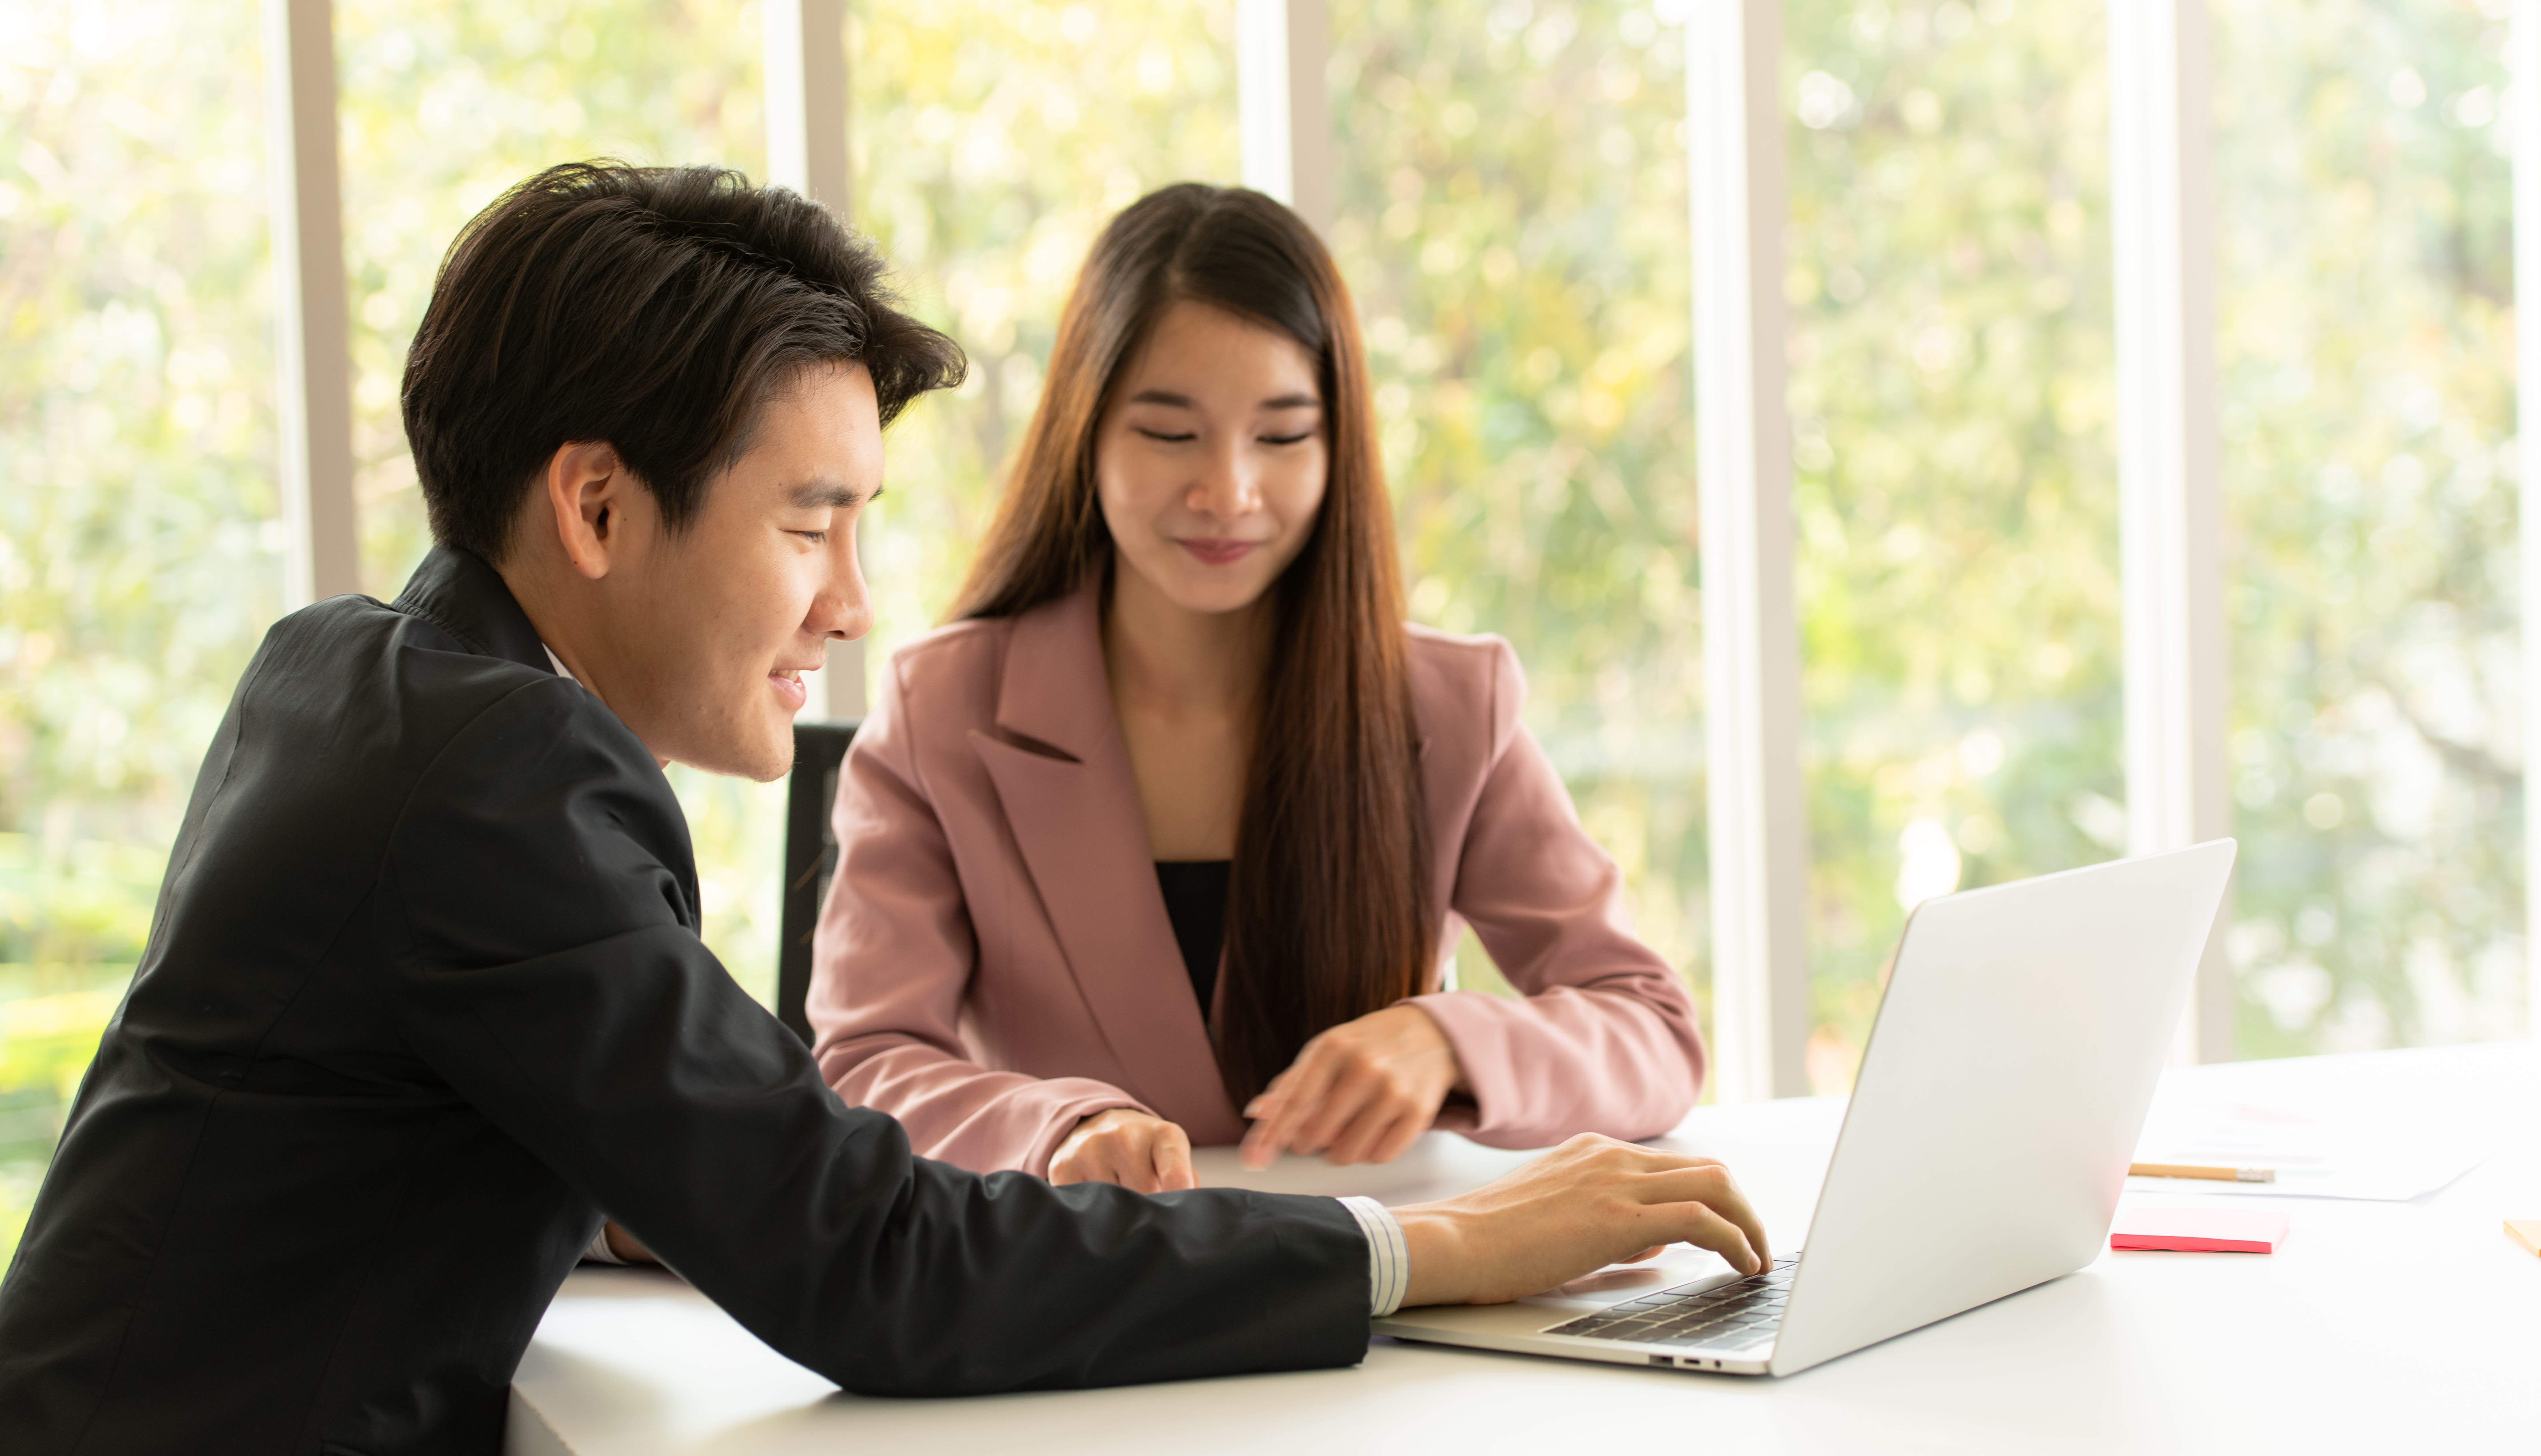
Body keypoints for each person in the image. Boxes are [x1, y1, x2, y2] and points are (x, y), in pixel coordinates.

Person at [0, 162, 1767, 1454]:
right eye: (805, 523)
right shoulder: (498, 779)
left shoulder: (354, 669)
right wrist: (1435, 1245)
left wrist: (664, 1169)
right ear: (598, 506)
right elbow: (876, 1267)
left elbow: (445, 1112)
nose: (851, 601)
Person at [807, 183, 1705, 1195]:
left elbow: (1653, 1030)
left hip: (1395, 1294)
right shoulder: (944, 709)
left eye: (1281, 437)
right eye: (1170, 433)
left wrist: (1446, 1038)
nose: (1228, 491)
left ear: (1338, 446)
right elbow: (863, 1064)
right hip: (1094, 1301)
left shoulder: (1453, 705)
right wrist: (1060, 1127)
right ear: (1087, 432)